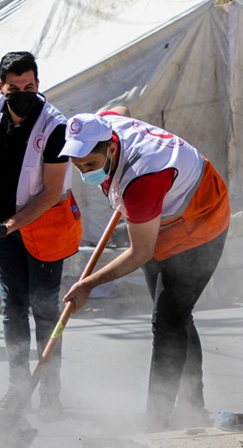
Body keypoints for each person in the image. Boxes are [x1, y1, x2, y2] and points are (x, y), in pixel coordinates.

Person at [61, 109, 230, 431]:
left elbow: (140, 252)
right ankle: (194, 406)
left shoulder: (142, 180)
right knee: (177, 316)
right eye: (79, 166)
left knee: (167, 322)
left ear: (111, 149)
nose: (85, 173)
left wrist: (88, 284)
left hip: (200, 221)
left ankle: (157, 422)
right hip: (160, 216)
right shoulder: (106, 123)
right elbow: (121, 111)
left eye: (91, 165)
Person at [0, 51, 82, 422]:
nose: (22, 95)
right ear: (1, 87)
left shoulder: (55, 127)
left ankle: (50, 393)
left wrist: (8, 225)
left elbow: (49, 193)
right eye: (14, 88)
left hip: (44, 226)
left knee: (45, 310)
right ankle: (17, 387)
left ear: (38, 85)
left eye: (29, 87)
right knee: (12, 306)